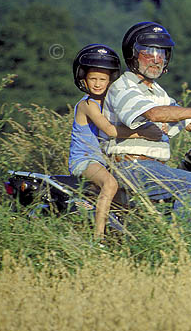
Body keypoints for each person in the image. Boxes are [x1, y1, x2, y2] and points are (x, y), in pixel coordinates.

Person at [101, 21, 191, 216]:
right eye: (148, 52)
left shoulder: (157, 92)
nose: (156, 59)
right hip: (129, 167)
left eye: (161, 53)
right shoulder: (123, 87)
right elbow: (154, 114)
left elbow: (189, 122)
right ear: (133, 55)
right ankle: (183, 244)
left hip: (153, 168)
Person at [68, 44, 163, 239]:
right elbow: (111, 131)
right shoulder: (87, 105)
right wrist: (143, 133)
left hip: (101, 159)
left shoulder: (108, 103)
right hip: (84, 159)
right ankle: (98, 238)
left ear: (110, 80)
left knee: (125, 192)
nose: (97, 84)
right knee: (110, 184)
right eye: (92, 78)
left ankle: (123, 235)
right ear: (83, 80)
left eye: (102, 79)